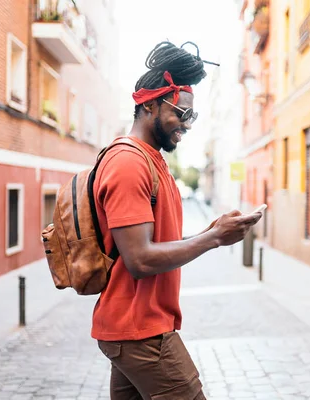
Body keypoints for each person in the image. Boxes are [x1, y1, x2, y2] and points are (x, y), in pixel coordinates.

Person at [92, 41, 262, 400]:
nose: (186, 123)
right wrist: (213, 238)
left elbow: (153, 245)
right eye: (180, 113)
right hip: (141, 333)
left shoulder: (153, 161)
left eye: (192, 116)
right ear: (149, 105)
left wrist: (212, 230)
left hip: (135, 330)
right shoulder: (128, 163)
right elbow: (139, 260)